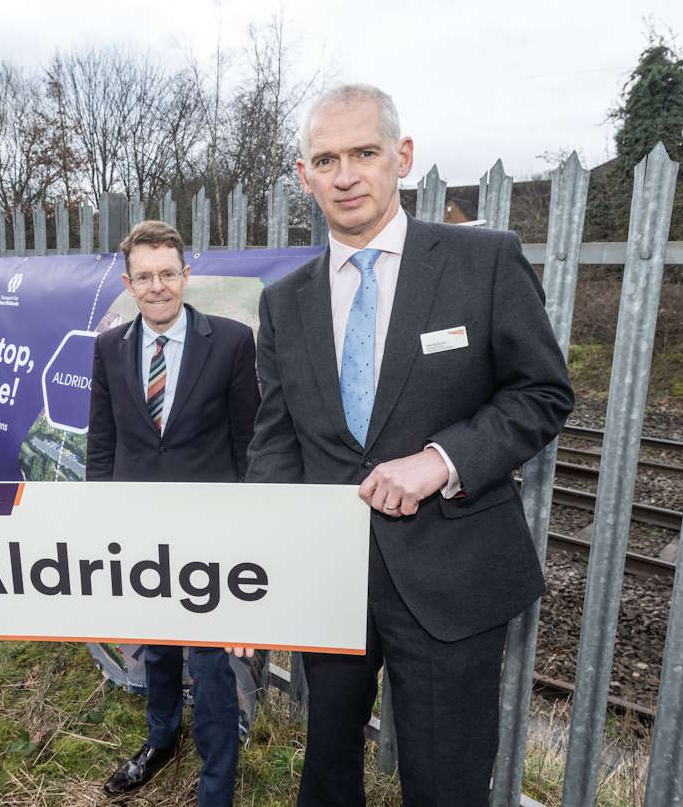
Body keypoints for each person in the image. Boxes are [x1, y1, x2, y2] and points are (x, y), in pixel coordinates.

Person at [245, 85, 573, 806]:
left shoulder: (481, 261)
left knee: (446, 784)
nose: (346, 174)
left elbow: (542, 394)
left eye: (364, 152)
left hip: (452, 573)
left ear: (403, 157)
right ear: (304, 176)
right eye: (325, 159)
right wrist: (263, 573)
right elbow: (276, 442)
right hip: (328, 580)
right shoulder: (283, 302)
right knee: (327, 769)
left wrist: (442, 460)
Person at [87, 220, 261, 805]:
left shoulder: (233, 342)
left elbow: (248, 448)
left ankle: (216, 784)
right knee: (155, 645)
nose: (157, 286)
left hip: (210, 534)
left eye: (167, 273)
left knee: (211, 665)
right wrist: (98, 521)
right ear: (128, 282)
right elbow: (103, 443)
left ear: (186, 275)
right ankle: (161, 738)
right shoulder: (109, 347)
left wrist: (245, 536)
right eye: (144, 276)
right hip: (140, 529)